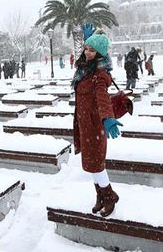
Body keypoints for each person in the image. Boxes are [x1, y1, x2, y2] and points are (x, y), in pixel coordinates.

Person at [71, 27, 121, 217]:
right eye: (86, 48)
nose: (87, 52)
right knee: (92, 163)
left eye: (92, 50)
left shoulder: (100, 74)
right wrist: (87, 39)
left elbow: (102, 97)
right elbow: (82, 57)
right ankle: (100, 195)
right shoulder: (85, 68)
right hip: (84, 124)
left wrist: (108, 118)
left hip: (94, 125)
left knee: (97, 164)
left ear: (100, 53)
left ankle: (109, 196)